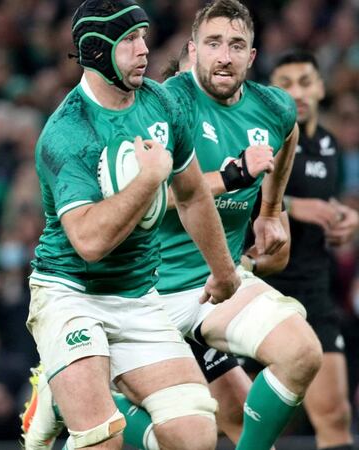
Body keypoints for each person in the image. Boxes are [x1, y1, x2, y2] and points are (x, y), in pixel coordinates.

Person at [24, 2, 323, 450]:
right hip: (77, 293)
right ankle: (64, 393)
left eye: (144, 37)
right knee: (105, 439)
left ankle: (70, 392)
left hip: (150, 294)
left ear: (253, 55)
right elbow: (88, 242)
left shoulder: (160, 103)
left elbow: (191, 194)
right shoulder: (69, 131)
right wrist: (155, 178)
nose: (145, 50)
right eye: (130, 40)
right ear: (97, 51)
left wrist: (240, 251)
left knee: (199, 432)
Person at [266, 50, 358, 450]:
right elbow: (223, 198)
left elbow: (330, 203)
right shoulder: (261, 138)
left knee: (335, 416)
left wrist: (348, 221)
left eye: (306, 82)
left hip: (313, 292)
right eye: (285, 84)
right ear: (271, 92)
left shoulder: (329, 145)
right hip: (260, 291)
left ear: (321, 87)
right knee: (238, 422)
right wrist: (291, 207)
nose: (298, 93)